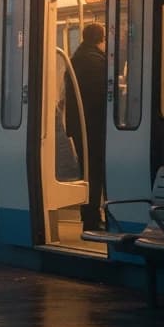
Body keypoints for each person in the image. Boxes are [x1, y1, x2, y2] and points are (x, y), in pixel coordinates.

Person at [65, 23, 107, 230]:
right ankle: (92, 219)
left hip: (80, 126)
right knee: (96, 172)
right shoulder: (96, 62)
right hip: (94, 126)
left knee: (88, 171)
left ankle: (88, 216)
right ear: (101, 39)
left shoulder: (76, 59)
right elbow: (101, 97)